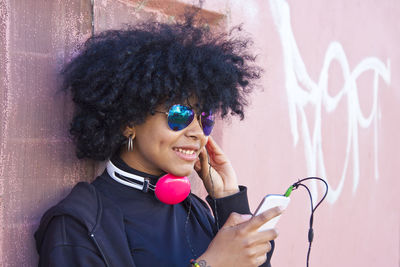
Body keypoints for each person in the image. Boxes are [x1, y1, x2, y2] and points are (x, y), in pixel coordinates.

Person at [34, 13, 282, 267]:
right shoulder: (77, 225)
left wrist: (228, 202)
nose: (198, 132)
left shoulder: (195, 211)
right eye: (179, 114)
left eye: (205, 118)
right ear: (128, 122)